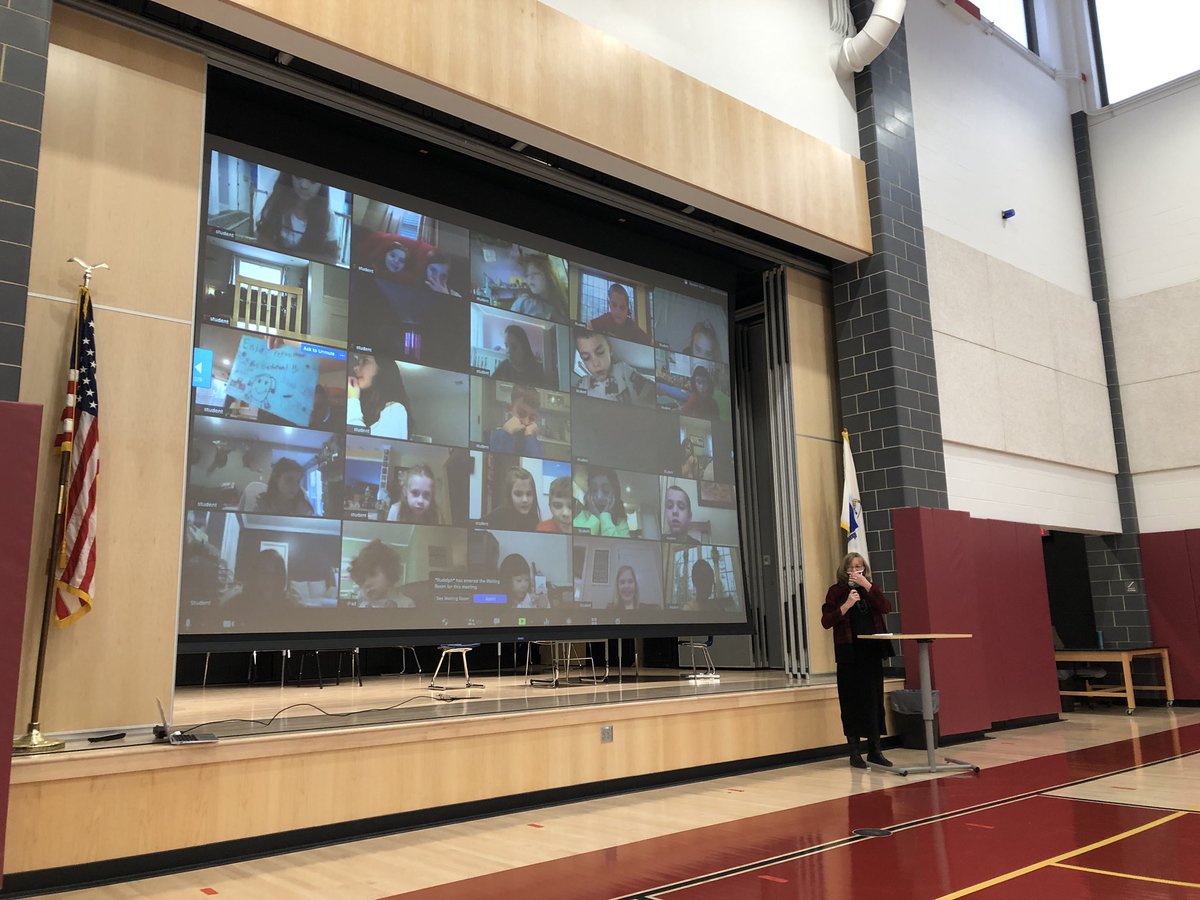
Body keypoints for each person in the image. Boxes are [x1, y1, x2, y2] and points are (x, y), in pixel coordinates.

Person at [821, 552, 894, 769]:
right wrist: (847, 605)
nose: (856, 572)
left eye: (859, 567)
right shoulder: (836, 591)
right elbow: (826, 621)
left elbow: (886, 608)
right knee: (851, 702)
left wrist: (869, 587)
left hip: (871, 653)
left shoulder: (871, 589)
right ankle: (854, 752)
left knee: (873, 701)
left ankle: (875, 750)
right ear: (845, 571)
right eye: (852, 568)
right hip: (849, 654)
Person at [256, 173, 338, 260]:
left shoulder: (328, 218)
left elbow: (332, 257)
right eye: (298, 176)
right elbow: (262, 240)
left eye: (313, 181)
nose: (304, 185)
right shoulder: (274, 205)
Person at [222, 549, 302, 629]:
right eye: (264, 573)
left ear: (280, 577)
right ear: (255, 574)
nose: (268, 579)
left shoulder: (289, 607)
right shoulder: (239, 603)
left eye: (274, 574)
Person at [574, 330, 654, 405]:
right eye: (586, 357)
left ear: (610, 350)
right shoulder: (583, 384)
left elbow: (651, 389)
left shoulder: (622, 370)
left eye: (600, 352)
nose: (596, 363)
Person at [347, 353, 411, 440]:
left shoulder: (396, 409)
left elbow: (360, 443)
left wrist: (353, 400)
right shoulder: (363, 407)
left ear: (383, 369)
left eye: (365, 361)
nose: (356, 368)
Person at [348, 539, 416, 608]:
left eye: (372, 574)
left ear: (389, 572)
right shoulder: (359, 597)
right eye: (362, 581)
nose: (366, 584)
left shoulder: (407, 604)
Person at [242, 457, 315, 516]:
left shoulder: (303, 508)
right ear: (276, 478)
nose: (294, 486)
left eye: (298, 481)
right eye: (289, 480)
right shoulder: (262, 503)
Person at [488, 384, 544, 457]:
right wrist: (506, 433)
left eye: (532, 418)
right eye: (521, 414)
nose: (526, 422)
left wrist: (530, 436)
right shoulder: (497, 437)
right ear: (510, 408)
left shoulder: (535, 442)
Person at [573, 467, 630, 537]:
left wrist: (605, 516)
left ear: (615, 495)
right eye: (594, 490)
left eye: (606, 490)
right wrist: (595, 517)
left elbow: (617, 546)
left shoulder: (621, 523)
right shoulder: (582, 516)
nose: (599, 497)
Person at [510, 255, 568, 323]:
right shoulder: (524, 302)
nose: (530, 279)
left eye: (535, 273)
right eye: (527, 275)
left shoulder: (560, 302)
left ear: (548, 275)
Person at [484, 466, 541, 531]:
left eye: (529, 494)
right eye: (518, 494)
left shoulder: (534, 520)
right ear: (509, 495)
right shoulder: (495, 518)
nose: (525, 500)